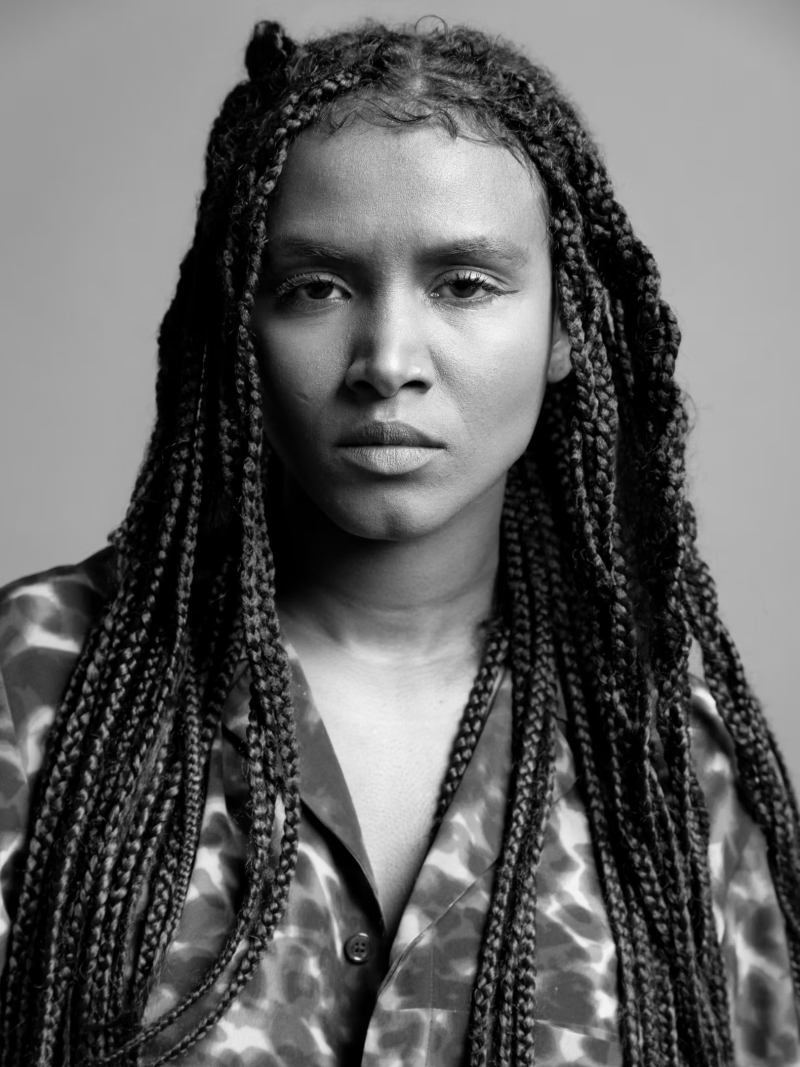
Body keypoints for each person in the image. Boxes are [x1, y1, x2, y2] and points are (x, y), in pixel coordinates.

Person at [0, 16, 798, 1067]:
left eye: (463, 283)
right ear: (240, 324)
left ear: (566, 327)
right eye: (316, 288)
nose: (386, 359)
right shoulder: (35, 684)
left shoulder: (663, 755)